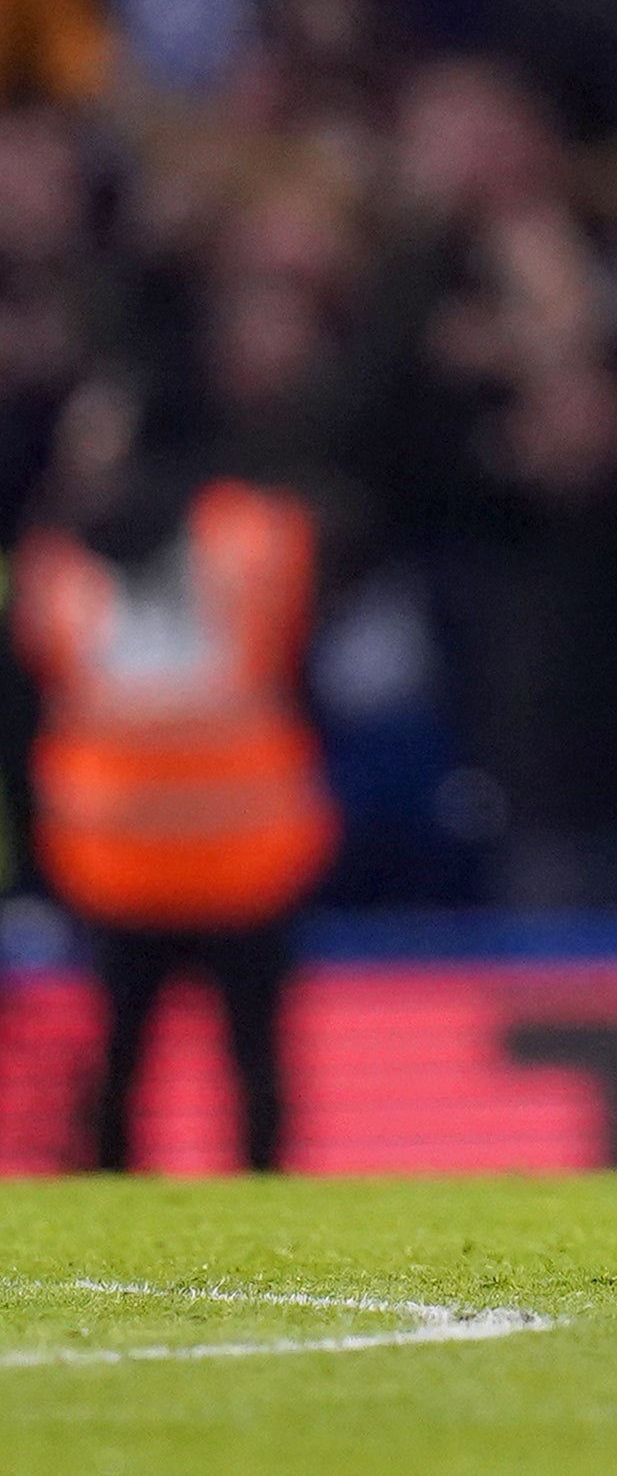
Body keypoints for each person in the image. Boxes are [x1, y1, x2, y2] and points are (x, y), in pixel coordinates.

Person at [16, 376, 332, 1174]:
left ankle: (113, 1224)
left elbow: (43, 681)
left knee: (123, 1069)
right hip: (242, 853)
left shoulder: (56, 557)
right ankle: (272, 1226)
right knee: (251, 1066)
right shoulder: (257, 532)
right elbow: (293, 643)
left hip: (119, 859)